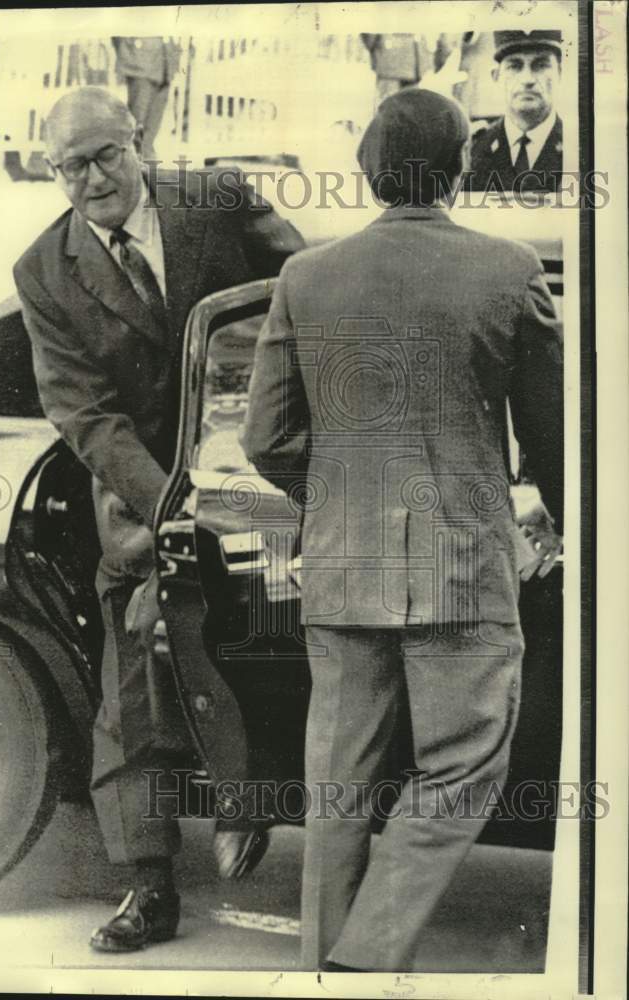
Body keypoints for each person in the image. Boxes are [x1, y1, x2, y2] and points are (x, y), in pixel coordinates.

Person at [243, 87, 563, 971]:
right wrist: (567, 523)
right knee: (460, 771)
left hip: (343, 573)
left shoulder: (306, 275)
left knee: (336, 793)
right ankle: (365, 957)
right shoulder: (507, 271)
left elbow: (265, 436)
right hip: (464, 567)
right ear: (460, 168)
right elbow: (553, 437)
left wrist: (343, 495)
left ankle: (328, 972)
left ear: (368, 172)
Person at [13, 86, 303, 953]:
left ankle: (255, 806)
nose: (93, 178)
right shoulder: (44, 269)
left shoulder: (217, 199)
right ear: (52, 173)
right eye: (71, 166)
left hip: (260, 483)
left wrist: (263, 445)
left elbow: (305, 299)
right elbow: (85, 414)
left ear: (139, 140)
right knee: (131, 695)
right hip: (143, 505)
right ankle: (147, 887)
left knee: (274, 654)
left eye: (106, 154)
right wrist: (172, 499)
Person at [467, 29, 563, 193]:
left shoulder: (580, 145)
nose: (527, 80)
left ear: (559, 73)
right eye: (514, 66)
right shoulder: (473, 149)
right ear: (496, 76)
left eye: (540, 65)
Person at [111, 36, 181, 160]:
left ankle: (145, 157)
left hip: (165, 64)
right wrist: (131, 51)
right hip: (140, 62)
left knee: (154, 121)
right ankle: (129, 160)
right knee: (137, 120)